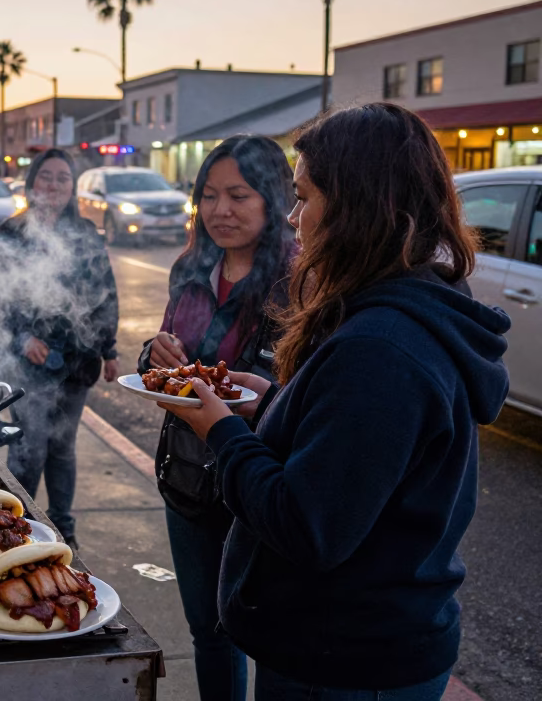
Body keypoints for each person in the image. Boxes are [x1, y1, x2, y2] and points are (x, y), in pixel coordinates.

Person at [159, 104, 511, 701]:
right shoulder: (399, 310)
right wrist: (273, 401)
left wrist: (221, 429)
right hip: (351, 643)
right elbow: (345, 447)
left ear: (357, 205)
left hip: (347, 661)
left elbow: (307, 526)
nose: (295, 218)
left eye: (303, 197)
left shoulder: (381, 348)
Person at [139, 135, 296, 701]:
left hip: (261, 483)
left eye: (238, 195)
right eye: (208, 196)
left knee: (273, 639)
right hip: (188, 478)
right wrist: (152, 355)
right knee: (208, 632)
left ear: (275, 199)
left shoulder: (301, 279)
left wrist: (262, 394)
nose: (220, 211)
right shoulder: (191, 266)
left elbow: (311, 393)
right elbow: (166, 354)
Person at [0, 148, 119, 550]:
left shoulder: (87, 234)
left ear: (73, 188)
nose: (54, 185)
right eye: (46, 177)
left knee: (63, 447)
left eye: (63, 179)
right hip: (28, 365)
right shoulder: (11, 233)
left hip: (78, 362)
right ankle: (16, 521)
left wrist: (109, 349)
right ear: (32, 182)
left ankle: (63, 526)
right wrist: (22, 338)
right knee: (29, 448)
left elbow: (105, 294)